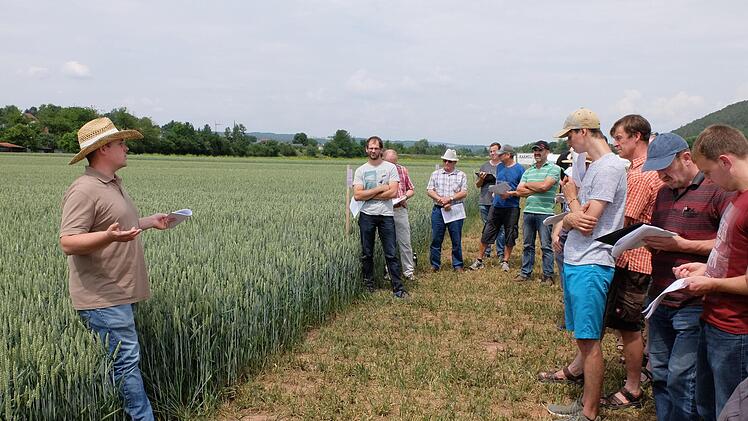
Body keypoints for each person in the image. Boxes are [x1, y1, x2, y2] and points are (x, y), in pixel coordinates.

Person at [60, 117, 171, 420]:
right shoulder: (84, 189)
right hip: (102, 297)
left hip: (119, 293)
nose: (126, 148)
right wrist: (108, 237)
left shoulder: (111, 184)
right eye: (121, 143)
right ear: (104, 148)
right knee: (126, 361)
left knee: (124, 360)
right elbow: (68, 241)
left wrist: (150, 221)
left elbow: (119, 226)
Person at [640, 132, 731, 421]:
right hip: (661, 295)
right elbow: (661, 232)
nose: (661, 176)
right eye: (656, 170)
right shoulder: (663, 193)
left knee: (684, 379)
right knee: (660, 372)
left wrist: (684, 245)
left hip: (693, 299)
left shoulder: (717, 189)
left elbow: (727, 245)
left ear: (687, 158)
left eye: (666, 168)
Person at [544, 108, 627, 421]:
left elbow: (588, 222)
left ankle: (590, 412)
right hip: (580, 259)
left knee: (590, 343)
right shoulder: (596, 167)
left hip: (592, 262)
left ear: (583, 131)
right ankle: (584, 401)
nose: (568, 142)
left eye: (569, 135)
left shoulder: (608, 168)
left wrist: (571, 199)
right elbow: (579, 218)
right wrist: (570, 215)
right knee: (583, 338)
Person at [673, 124, 748, 420]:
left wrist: (711, 285)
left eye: (710, 172)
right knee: (707, 407)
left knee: (731, 412)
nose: (709, 181)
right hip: (715, 320)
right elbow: (734, 256)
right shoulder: (736, 197)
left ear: (726, 161)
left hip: (736, 330)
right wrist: (708, 268)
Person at [597, 115, 664, 409]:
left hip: (634, 261)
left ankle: (633, 387)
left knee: (629, 325)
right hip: (634, 258)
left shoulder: (640, 174)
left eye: (620, 138)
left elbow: (625, 217)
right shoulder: (641, 170)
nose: (616, 144)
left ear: (637, 136)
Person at [352, 136, 407, 298]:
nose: (373, 151)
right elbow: (357, 195)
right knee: (366, 253)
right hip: (366, 215)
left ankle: (398, 288)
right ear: (366, 149)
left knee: (390, 253)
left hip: (386, 215)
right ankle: (368, 286)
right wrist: (380, 189)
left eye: (376, 148)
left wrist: (368, 194)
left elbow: (393, 192)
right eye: (371, 148)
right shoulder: (360, 170)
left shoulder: (390, 168)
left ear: (381, 150)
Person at [508, 140, 561, 282]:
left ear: (547, 152)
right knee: (527, 245)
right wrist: (538, 186)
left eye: (540, 150)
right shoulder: (529, 170)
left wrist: (529, 185)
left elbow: (545, 186)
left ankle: (548, 275)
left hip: (545, 212)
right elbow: (519, 190)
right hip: (529, 211)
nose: (537, 153)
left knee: (546, 246)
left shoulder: (554, 169)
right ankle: (525, 273)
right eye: (535, 151)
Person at [468, 145, 524, 272]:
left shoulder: (520, 170)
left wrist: (510, 194)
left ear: (508, 155)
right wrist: (495, 192)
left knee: (510, 234)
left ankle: (505, 261)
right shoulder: (499, 167)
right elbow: (498, 182)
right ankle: (479, 260)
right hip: (496, 205)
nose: (498, 156)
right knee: (487, 231)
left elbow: (523, 191)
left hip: (512, 207)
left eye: (501, 154)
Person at [427, 149, 468, 272]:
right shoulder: (435, 174)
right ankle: (435, 264)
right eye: (445, 160)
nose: (447, 163)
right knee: (436, 239)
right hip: (438, 210)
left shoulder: (461, 175)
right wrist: (441, 200)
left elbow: (464, 192)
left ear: (454, 162)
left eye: (449, 161)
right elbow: (429, 190)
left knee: (456, 238)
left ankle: (457, 265)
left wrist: (449, 199)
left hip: (455, 209)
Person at [383, 149, 416, 282]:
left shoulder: (402, 170)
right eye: (389, 163)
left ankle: (408, 272)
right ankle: (389, 272)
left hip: (400, 209)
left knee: (405, 242)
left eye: (394, 163)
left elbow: (411, 189)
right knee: (388, 244)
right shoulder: (379, 171)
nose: (392, 166)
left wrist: (405, 197)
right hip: (384, 211)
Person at [475, 142, 505, 259]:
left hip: (499, 202)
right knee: (486, 227)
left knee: (501, 228)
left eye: (495, 151)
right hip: (484, 200)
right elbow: (477, 185)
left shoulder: (503, 166)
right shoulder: (484, 166)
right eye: (491, 151)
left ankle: (500, 252)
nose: (492, 153)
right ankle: (486, 252)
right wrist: (482, 178)